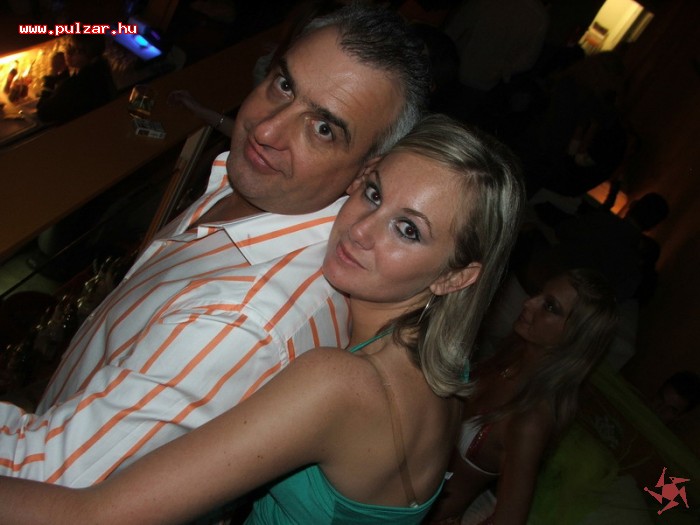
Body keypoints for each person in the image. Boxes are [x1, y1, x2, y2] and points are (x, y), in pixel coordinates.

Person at [0, 113, 525, 524]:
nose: (361, 230)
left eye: (407, 230)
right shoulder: (446, 368)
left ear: (455, 277)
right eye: (374, 194)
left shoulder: (339, 384)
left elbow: (89, 516)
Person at [0, 4, 431, 486]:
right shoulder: (260, 186)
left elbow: (42, 476)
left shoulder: (241, 324)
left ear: (365, 172)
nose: (265, 130)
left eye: (323, 128)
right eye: (284, 85)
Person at [426, 268, 618, 524]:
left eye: (549, 307)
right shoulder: (511, 358)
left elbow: (510, 519)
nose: (528, 303)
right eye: (539, 294)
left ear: (574, 336)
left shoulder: (531, 420)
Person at [36, 34, 116, 123]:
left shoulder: (77, 84)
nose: (68, 53)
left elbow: (42, 114)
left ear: (90, 54)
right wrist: (65, 71)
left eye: (75, 50)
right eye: (69, 47)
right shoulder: (101, 70)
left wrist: (52, 74)